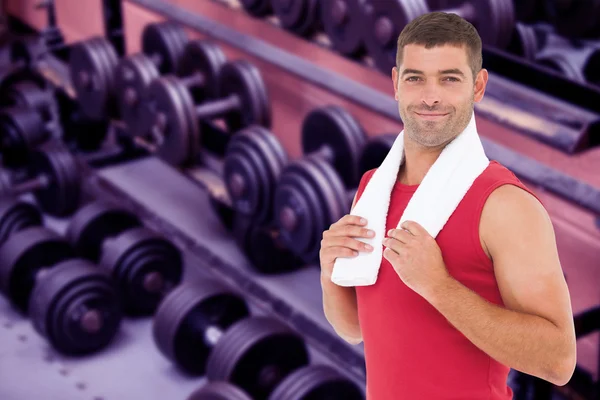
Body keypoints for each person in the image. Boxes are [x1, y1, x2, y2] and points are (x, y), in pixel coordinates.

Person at [319, 12, 576, 400]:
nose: (430, 96)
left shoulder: (504, 205)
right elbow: (356, 328)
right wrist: (328, 270)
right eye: (415, 78)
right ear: (395, 84)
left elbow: (558, 363)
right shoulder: (374, 188)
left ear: (478, 86)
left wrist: (438, 286)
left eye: (449, 79)